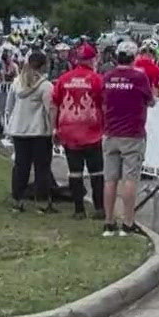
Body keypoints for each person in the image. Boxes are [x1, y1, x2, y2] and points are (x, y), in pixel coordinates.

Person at [100, 44, 157, 237]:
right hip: (132, 133)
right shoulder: (139, 77)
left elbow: (102, 99)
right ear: (133, 58)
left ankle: (108, 222)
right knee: (130, 179)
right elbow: (150, 100)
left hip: (110, 132)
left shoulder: (107, 77)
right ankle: (128, 221)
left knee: (110, 179)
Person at [51, 43, 106, 220]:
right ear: (91, 60)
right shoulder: (96, 79)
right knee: (96, 172)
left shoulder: (63, 79)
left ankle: (79, 210)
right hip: (92, 132)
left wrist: (54, 128)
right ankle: (99, 208)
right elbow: (103, 105)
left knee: (74, 172)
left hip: (68, 131)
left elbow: (54, 104)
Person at [4, 51, 57, 213]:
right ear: (43, 65)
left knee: (20, 166)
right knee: (42, 167)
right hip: (39, 131)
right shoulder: (46, 86)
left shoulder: (17, 82)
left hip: (19, 130)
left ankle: (17, 200)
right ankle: (41, 203)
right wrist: (54, 128)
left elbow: (9, 106)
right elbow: (50, 109)